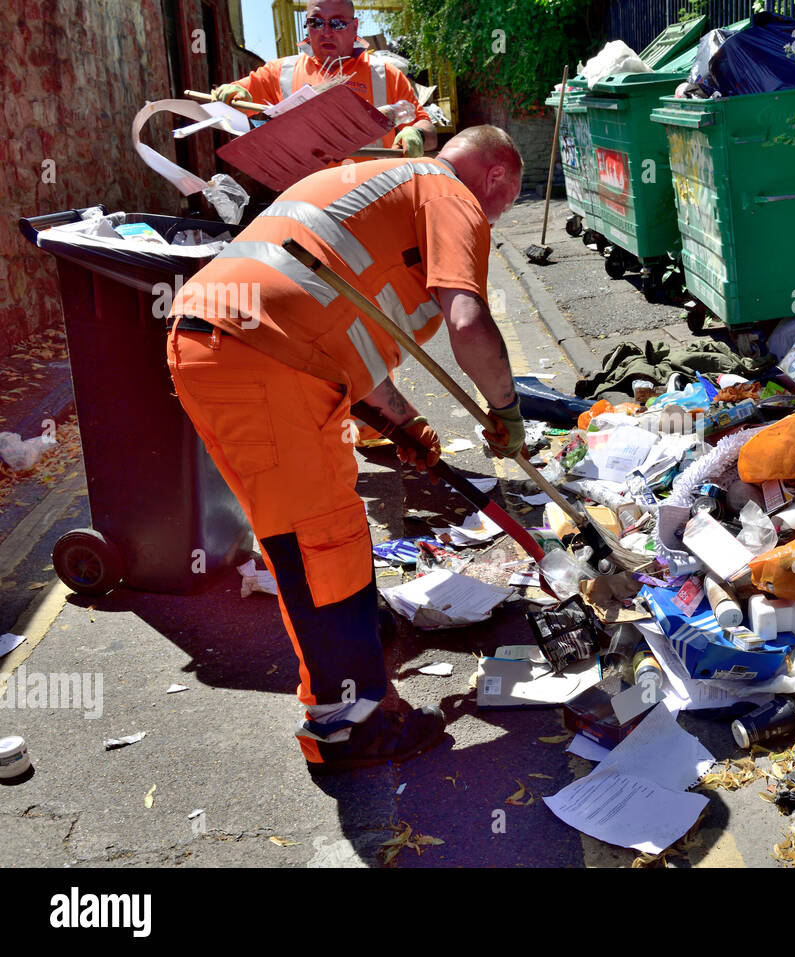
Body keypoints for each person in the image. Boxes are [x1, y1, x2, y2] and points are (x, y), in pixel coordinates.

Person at [166, 126, 526, 773]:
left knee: (315, 526)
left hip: (226, 341)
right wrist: (507, 411)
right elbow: (468, 323)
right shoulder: (450, 191)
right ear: (497, 176)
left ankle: (355, 644)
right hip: (264, 355)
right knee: (317, 536)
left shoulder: (374, 183)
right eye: (507, 201)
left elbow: (338, 320)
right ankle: (347, 720)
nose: (496, 216)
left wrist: (403, 420)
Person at [211, 0, 438, 158]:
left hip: (373, 195)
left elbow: (428, 132)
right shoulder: (280, 71)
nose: (326, 32)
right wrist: (232, 94)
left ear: (354, 27)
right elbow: (232, 107)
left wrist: (416, 133)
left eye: (337, 23)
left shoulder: (385, 74)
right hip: (307, 199)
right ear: (307, 27)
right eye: (316, 23)